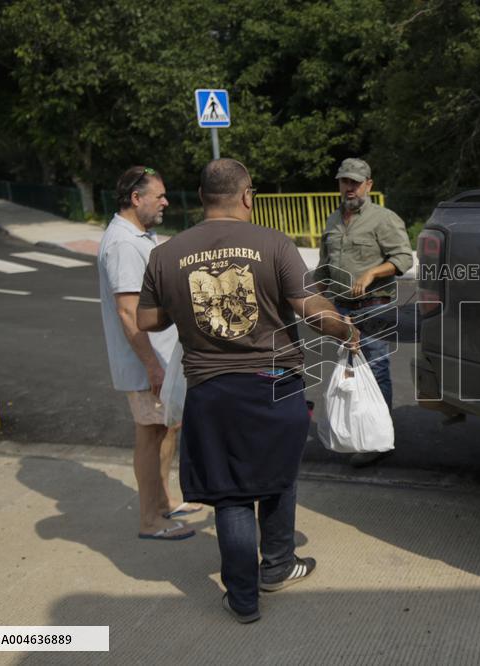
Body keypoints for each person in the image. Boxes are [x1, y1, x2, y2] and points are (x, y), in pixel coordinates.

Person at [137, 158, 359, 624]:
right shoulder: (273, 243)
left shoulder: (166, 253)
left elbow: (147, 320)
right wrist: (342, 328)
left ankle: (242, 599)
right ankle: (277, 566)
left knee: (231, 492)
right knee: (277, 475)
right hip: (274, 386)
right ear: (247, 196)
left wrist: (187, 305)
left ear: (200, 198)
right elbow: (309, 307)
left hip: (210, 390)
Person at [98, 166, 200, 542]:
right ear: (135, 198)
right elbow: (128, 312)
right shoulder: (124, 244)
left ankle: (163, 504)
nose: (165, 202)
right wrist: (153, 367)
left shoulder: (140, 236)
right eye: (158, 196)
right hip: (148, 362)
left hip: (160, 358)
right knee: (150, 434)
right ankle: (149, 519)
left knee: (166, 428)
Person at [313, 158, 413, 466]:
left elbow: (403, 258)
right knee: (350, 371)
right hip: (341, 308)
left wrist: (371, 273)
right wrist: (316, 298)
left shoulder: (383, 219)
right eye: (345, 181)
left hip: (374, 307)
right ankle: (357, 429)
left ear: (368, 185)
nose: (350, 187)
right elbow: (323, 267)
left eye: (356, 182)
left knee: (377, 369)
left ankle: (379, 439)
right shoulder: (332, 221)